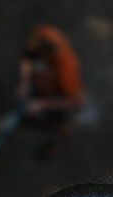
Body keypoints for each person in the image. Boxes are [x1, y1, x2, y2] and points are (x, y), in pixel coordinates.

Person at [16, 24, 84, 157]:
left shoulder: (67, 69)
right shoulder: (43, 34)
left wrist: (42, 104)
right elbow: (27, 58)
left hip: (58, 98)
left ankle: (58, 145)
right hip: (44, 86)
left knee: (59, 124)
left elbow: (76, 101)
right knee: (32, 109)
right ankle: (32, 118)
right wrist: (24, 83)